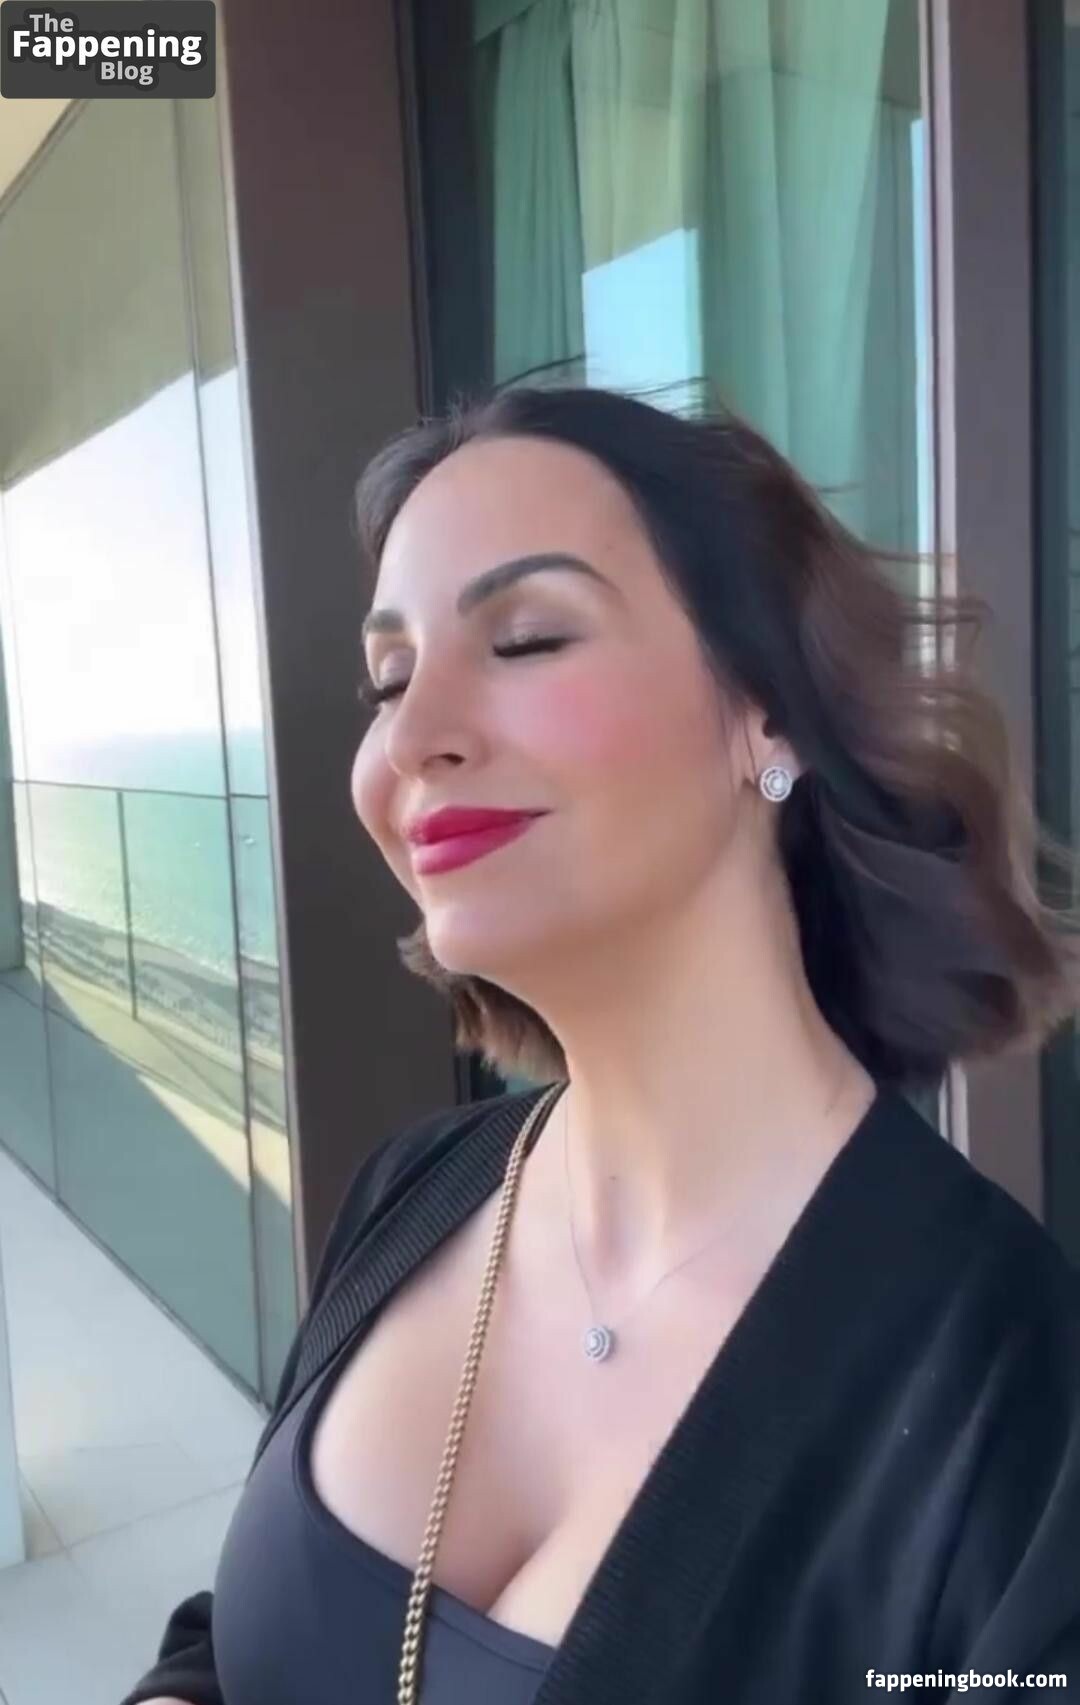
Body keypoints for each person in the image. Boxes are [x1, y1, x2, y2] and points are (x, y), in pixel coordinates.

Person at [122, 385, 1080, 1705]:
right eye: (389, 679)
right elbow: (241, 1634)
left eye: (525, 638)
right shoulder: (415, 1191)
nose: (411, 737)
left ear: (767, 708)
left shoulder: (1013, 1400)